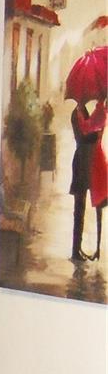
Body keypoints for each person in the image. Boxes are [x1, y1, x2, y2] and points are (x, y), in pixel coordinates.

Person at [69, 100, 106, 261]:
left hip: (89, 161)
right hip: (82, 162)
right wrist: (97, 133)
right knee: (79, 207)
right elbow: (83, 136)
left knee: (93, 204)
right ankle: (75, 249)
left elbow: (89, 129)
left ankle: (86, 248)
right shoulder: (76, 113)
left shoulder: (82, 111)